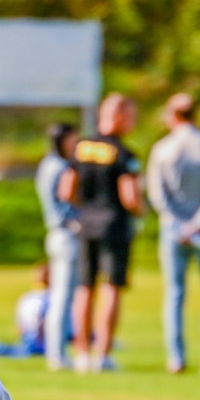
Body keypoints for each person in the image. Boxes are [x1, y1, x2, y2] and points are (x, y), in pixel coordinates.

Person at [58, 93, 142, 374]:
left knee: (85, 287)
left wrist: (86, 209)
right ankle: (103, 353)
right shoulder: (124, 153)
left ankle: (81, 352)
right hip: (114, 225)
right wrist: (141, 212)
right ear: (118, 116)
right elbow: (129, 196)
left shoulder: (80, 147)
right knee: (111, 287)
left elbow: (66, 190)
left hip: (85, 224)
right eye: (131, 117)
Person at [147, 93, 200, 375]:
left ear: (174, 115)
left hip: (173, 232)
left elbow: (158, 194)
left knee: (175, 294)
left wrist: (177, 224)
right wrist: (199, 223)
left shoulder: (163, 149)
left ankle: (176, 358)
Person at [35, 122, 79, 371]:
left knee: (62, 295)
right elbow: (66, 202)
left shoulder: (47, 164)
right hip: (65, 233)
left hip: (56, 234)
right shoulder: (61, 167)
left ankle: (57, 352)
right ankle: (57, 354)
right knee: (63, 296)